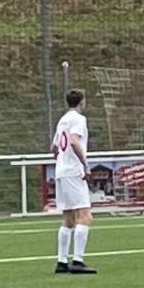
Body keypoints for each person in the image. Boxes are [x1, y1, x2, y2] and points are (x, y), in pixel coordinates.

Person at [52, 90, 97, 274]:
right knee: (84, 215)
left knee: (68, 218)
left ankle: (62, 262)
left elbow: (54, 147)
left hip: (61, 171)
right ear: (82, 102)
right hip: (73, 171)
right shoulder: (78, 119)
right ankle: (78, 260)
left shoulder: (62, 120)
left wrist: (61, 161)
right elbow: (73, 141)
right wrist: (84, 164)